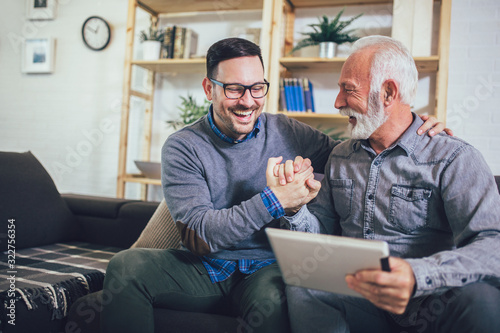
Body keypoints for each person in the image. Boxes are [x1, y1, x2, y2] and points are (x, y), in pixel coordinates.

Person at [100, 37, 448, 333]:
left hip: (268, 267)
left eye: (257, 88)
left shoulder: (290, 131)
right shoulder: (183, 146)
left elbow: (356, 158)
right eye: (235, 89)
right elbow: (201, 235)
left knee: (277, 299)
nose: (248, 101)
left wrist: (412, 128)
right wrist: (274, 200)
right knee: (125, 266)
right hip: (203, 268)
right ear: (209, 88)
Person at [270, 36, 500, 333]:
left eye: (348, 90)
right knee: (303, 282)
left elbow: (493, 246)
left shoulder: (453, 157)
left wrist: (417, 275)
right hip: (360, 301)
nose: (338, 102)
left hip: (427, 302)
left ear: (389, 92)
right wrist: (294, 208)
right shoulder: (340, 156)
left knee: (480, 298)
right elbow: (322, 237)